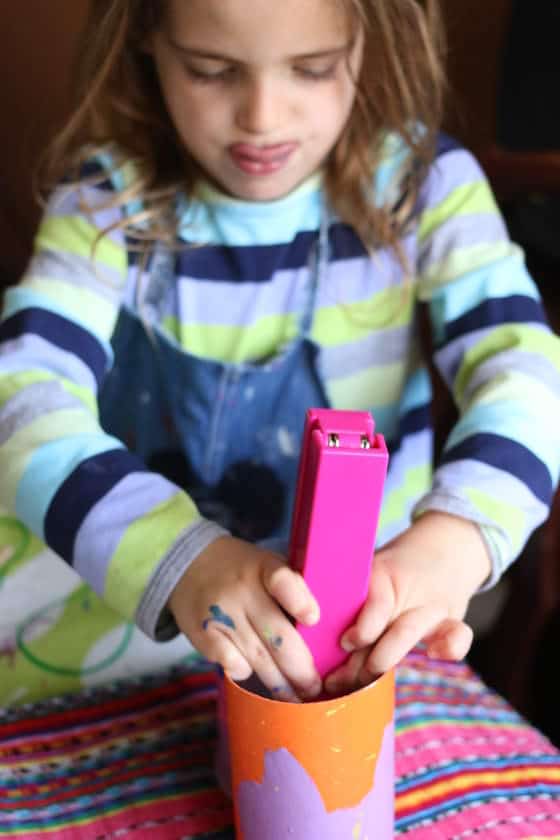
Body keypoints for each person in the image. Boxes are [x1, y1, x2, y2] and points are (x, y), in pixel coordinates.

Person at [1, 0, 559, 704]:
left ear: (368, 41)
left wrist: (457, 537)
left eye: (314, 69)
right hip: (138, 594)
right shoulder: (106, 202)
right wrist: (183, 561)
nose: (262, 117)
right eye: (211, 71)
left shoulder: (427, 188)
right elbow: (22, 394)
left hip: (358, 616)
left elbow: (527, 372)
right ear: (149, 42)